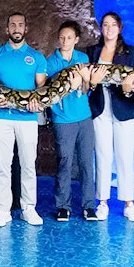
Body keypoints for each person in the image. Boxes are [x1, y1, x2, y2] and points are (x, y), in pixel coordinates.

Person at [0, 12, 46, 227]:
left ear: (25, 28)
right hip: (1, 118)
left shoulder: (37, 58)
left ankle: (29, 208)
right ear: (6, 29)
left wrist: (39, 104)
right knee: (3, 166)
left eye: (20, 24)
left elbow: (41, 90)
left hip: (28, 119)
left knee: (29, 165)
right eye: (12, 25)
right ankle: (3, 209)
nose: (16, 28)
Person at [85, 12, 134, 222]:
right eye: (105, 25)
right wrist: (92, 82)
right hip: (100, 108)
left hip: (124, 108)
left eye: (113, 25)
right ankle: (102, 202)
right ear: (101, 28)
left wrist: (128, 89)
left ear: (120, 27)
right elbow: (87, 86)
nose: (109, 28)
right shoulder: (93, 51)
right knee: (102, 155)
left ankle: (129, 204)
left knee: (125, 156)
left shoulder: (130, 52)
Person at [46, 21, 96, 222]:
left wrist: (86, 81)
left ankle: (89, 206)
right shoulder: (50, 62)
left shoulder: (82, 59)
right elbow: (49, 93)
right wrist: (71, 84)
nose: (65, 41)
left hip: (84, 117)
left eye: (69, 37)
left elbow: (85, 90)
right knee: (64, 162)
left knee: (86, 162)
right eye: (62, 37)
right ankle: (62, 206)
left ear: (76, 40)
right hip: (62, 119)